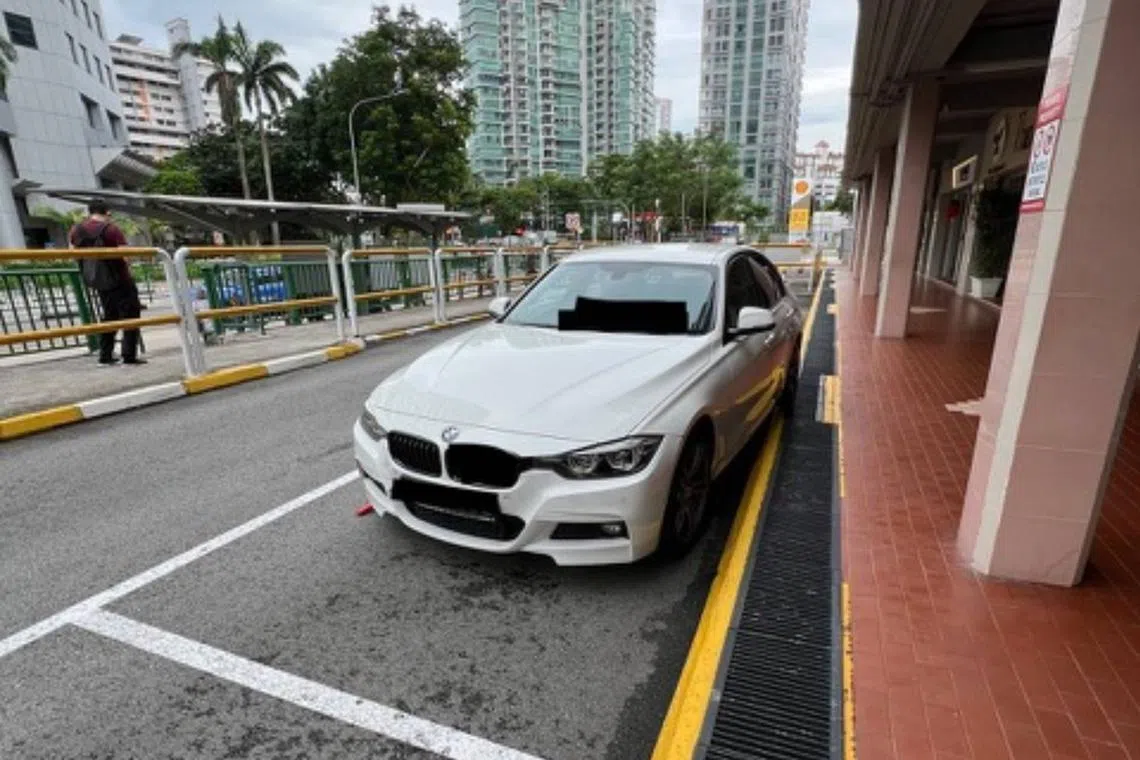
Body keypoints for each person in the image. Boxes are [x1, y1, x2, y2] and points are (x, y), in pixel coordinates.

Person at [70, 201, 146, 366]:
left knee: (110, 315)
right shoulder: (111, 229)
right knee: (131, 314)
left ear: (90, 211)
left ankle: (105, 355)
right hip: (119, 278)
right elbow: (125, 255)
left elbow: (74, 254)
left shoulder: (77, 229)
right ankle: (129, 355)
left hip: (98, 280)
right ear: (107, 212)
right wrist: (129, 269)